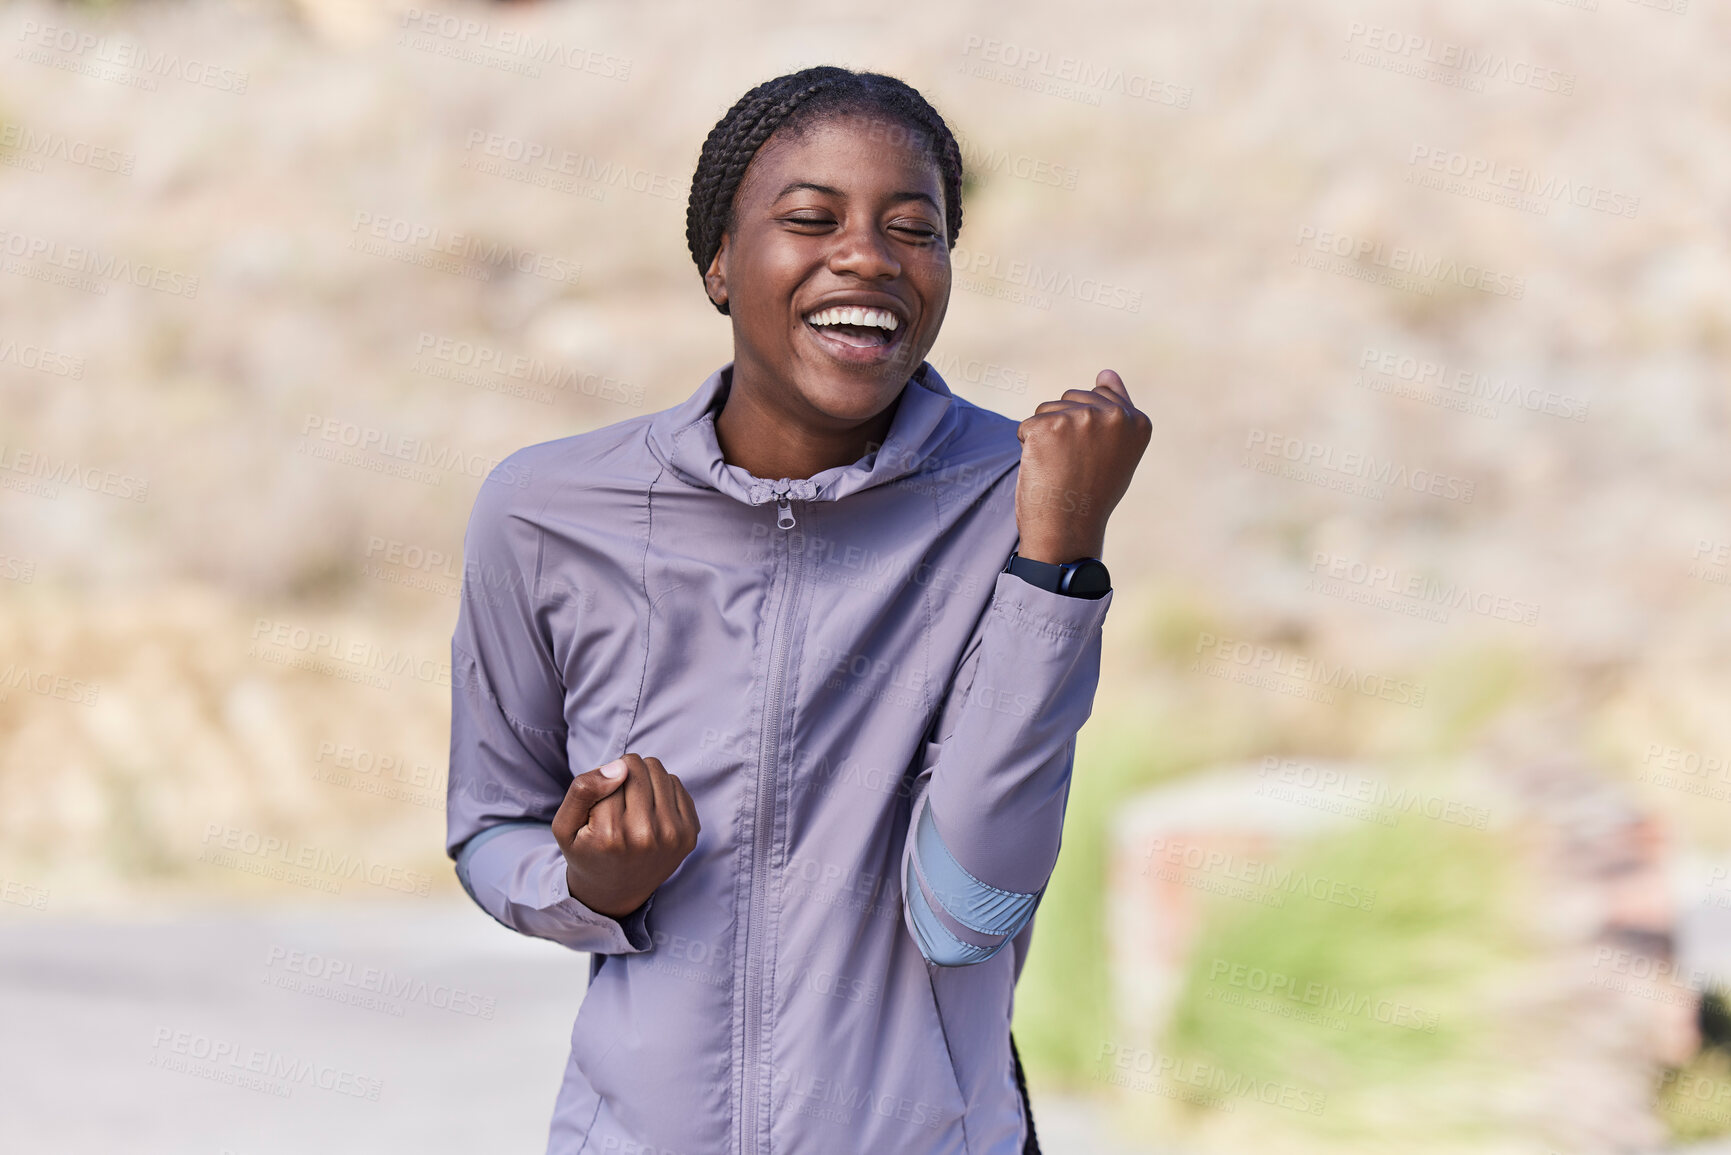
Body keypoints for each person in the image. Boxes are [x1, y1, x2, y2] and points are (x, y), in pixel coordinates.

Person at [445, 64, 1150, 1155]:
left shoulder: (1023, 500)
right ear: (721, 264)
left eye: (914, 228)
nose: (868, 255)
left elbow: (972, 910)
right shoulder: (548, 513)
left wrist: (1057, 565)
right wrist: (590, 883)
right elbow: (491, 824)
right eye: (811, 218)